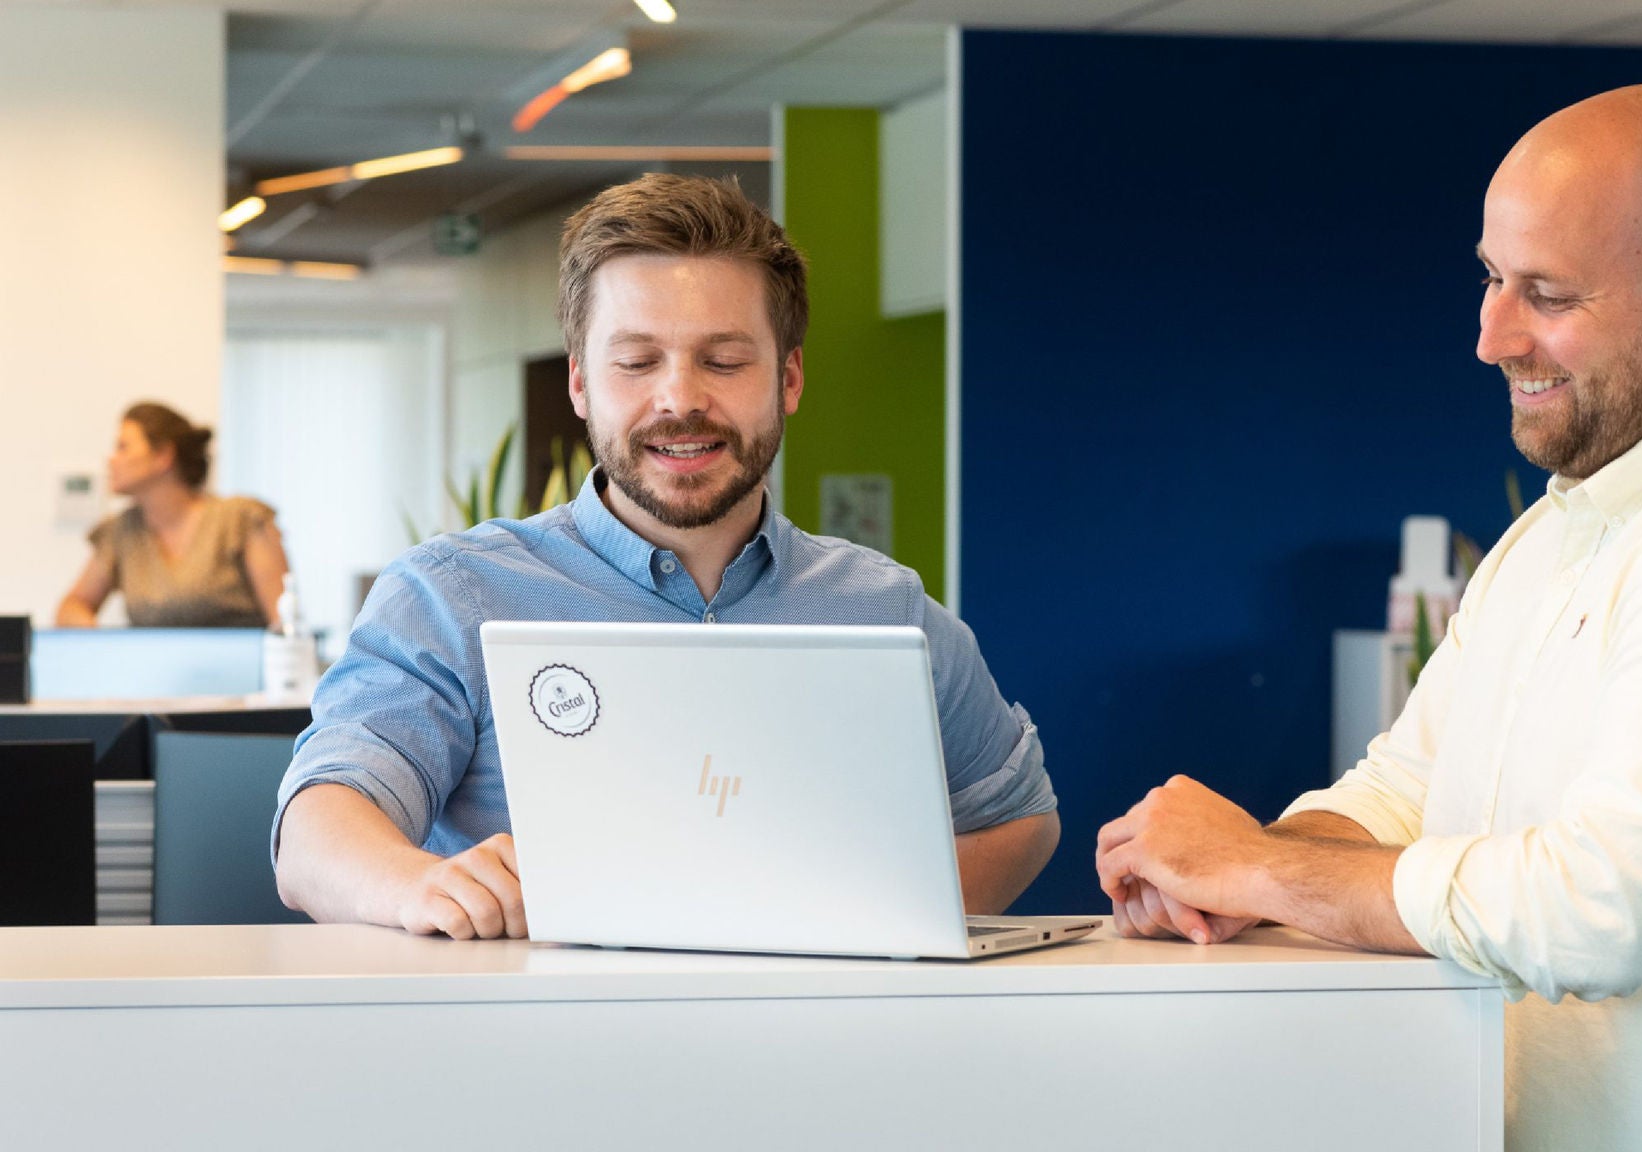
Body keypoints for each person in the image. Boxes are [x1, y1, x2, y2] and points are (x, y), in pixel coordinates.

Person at [1095, 85, 1642, 1151]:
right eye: (1491, 278)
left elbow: (1605, 908)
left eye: (1546, 294)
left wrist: (1258, 868)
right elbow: (1407, 787)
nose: (1490, 337)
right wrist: (1228, 881)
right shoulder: (1562, 526)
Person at [273, 174, 1059, 939]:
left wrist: (863, 922)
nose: (680, 399)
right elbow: (317, 830)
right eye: (638, 361)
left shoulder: (885, 608)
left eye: (723, 361)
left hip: (811, 1052)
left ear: (788, 379)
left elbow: (1020, 818)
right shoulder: (454, 593)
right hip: (532, 1053)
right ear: (581, 383)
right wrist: (416, 883)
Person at [57, 402, 290, 629]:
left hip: (237, 667)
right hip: (149, 667)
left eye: (123, 447)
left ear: (164, 456)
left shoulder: (240, 519)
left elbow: (284, 624)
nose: (111, 459)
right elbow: (72, 605)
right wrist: (98, 641)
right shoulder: (120, 531)